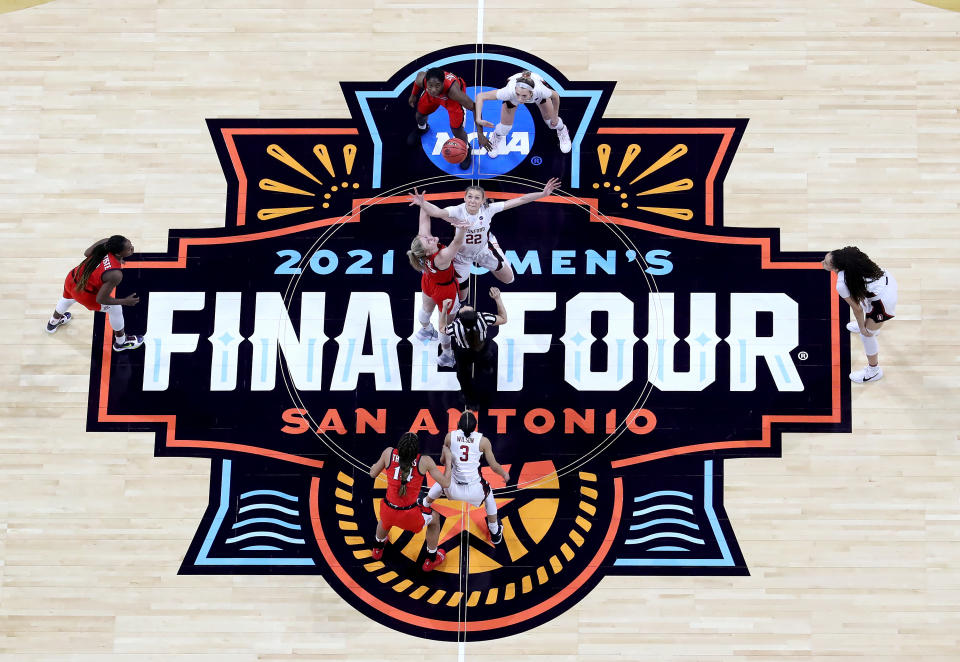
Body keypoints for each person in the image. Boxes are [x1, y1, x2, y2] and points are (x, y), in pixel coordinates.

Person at [408, 177, 560, 304]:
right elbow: (438, 212)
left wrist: (543, 193)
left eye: (476, 198)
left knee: (509, 279)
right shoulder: (457, 210)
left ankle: (493, 243)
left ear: (482, 201)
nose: (472, 201)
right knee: (462, 298)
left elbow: (520, 200)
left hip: (483, 250)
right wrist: (422, 203)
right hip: (461, 257)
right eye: (469, 197)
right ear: (464, 198)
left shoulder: (488, 209)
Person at [422, 411, 510, 545]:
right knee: (489, 495)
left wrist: (449, 455)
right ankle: (495, 532)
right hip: (475, 490)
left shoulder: (450, 437)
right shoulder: (483, 441)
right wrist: (504, 474)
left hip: (453, 488)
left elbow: (442, 461)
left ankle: (424, 504)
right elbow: (494, 466)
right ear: (476, 426)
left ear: (458, 425)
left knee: (442, 480)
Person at [368, 432, 452, 571]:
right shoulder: (424, 461)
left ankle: (377, 548)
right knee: (435, 519)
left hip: (388, 509)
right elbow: (446, 483)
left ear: (399, 447)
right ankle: (431, 559)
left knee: (385, 518)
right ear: (415, 450)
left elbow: (372, 473)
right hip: (409, 517)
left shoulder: (388, 453)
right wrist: (448, 461)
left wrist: (374, 466)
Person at [47, 235, 144, 352]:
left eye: (131, 245)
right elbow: (101, 299)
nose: (132, 248)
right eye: (129, 248)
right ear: (118, 253)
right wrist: (125, 301)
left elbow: (86, 253)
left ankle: (52, 323)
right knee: (116, 309)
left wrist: (114, 257)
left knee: (67, 299)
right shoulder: (115, 275)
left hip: (72, 278)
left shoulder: (106, 243)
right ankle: (121, 342)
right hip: (85, 294)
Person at [822, 246, 897, 383]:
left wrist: (863, 327)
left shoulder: (841, 284)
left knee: (866, 335)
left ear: (837, 268)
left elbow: (857, 309)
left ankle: (874, 371)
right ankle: (871, 326)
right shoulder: (853, 259)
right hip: (888, 280)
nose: (822, 263)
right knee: (863, 301)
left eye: (826, 263)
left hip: (883, 300)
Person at [406, 206, 467, 368]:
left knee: (426, 308)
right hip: (445, 291)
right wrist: (461, 228)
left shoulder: (420, 249)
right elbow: (458, 242)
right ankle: (447, 355)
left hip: (429, 281)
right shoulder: (441, 257)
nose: (431, 238)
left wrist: (422, 203)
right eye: (429, 241)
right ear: (427, 251)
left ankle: (425, 329)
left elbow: (424, 219)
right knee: (445, 326)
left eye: (428, 238)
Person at [406, 67, 491, 171]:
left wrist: (480, 134)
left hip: (451, 101)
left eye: (437, 86)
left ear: (443, 83)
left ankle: (466, 149)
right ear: (426, 82)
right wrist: (413, 95)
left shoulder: (454, 92)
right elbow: (416, 82)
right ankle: (422, 128)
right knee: (420, 115)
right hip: (432, 98)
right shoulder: (421, 78)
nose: (433, 90)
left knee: (457, 130)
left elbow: (475, 108)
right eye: (430, 86)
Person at [473, 70, 571, 157]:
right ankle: (497, 136)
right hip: (512, 96)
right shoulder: (509, 92)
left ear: (531, 93)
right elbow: (480, 96)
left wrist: (555, 116)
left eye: (524, 96)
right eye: (518, 94)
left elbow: (555, 96)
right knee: (504, 128)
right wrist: (478, 119)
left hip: (538, 93)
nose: (520, 99)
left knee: (552, 123)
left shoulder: (540, 91)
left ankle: (562, 130)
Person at [445, 287, 508, 410]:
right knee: (485, 360)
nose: (464, 305)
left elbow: (443, 328)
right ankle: (486, 366)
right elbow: (503, 319)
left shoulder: (456, 326)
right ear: (475, 314)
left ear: (460, 319)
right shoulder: (483, 318)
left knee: (463, 377)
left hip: (463, 352)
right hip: (481, 347)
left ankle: (471, 401)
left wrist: (444, 311)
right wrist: (498, 299)